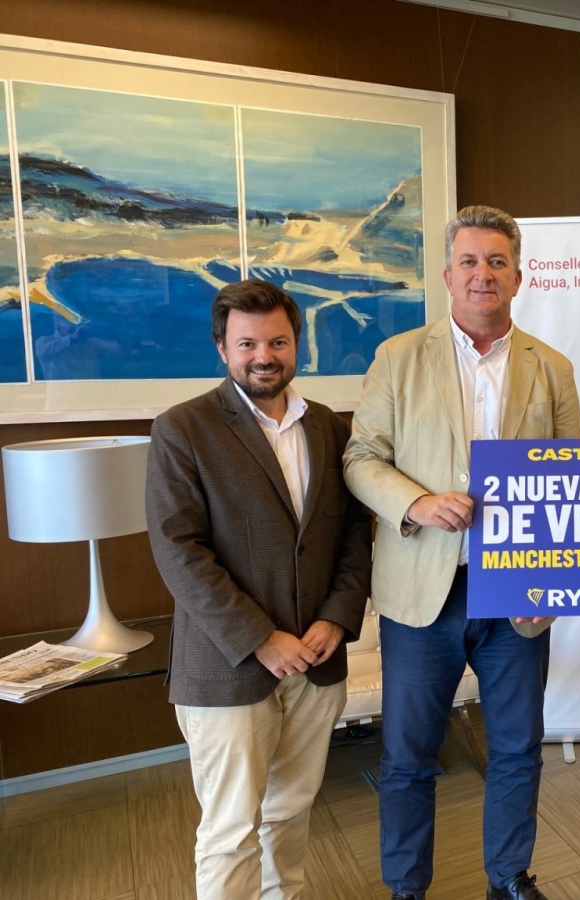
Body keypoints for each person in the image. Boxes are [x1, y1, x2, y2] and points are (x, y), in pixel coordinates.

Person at [343, 205, 580, 900]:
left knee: (517, 748)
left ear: (518, 276)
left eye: (497, 262)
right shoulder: (397, 357)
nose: (484, 274)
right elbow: (361, 458)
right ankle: (406, 888)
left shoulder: (552, 367)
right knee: (408, 755)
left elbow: (574, 478)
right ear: (448, 275)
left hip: (518, 592)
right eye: (470, 262)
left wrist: (564, 577)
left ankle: (508, 878)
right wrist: (415, 503)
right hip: (424, 590)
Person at [145, 278, 372, 900]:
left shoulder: (329, 428)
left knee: (290, 813)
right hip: (229, 666)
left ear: (297, 344)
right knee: (230, 830)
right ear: (222, 348)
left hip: (317, 659)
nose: (263, 356)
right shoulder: (182, 429)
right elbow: (179, 551)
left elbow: (355, 532)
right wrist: (260, 639)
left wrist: (337, 618)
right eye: (247, 344)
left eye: (277, 341)